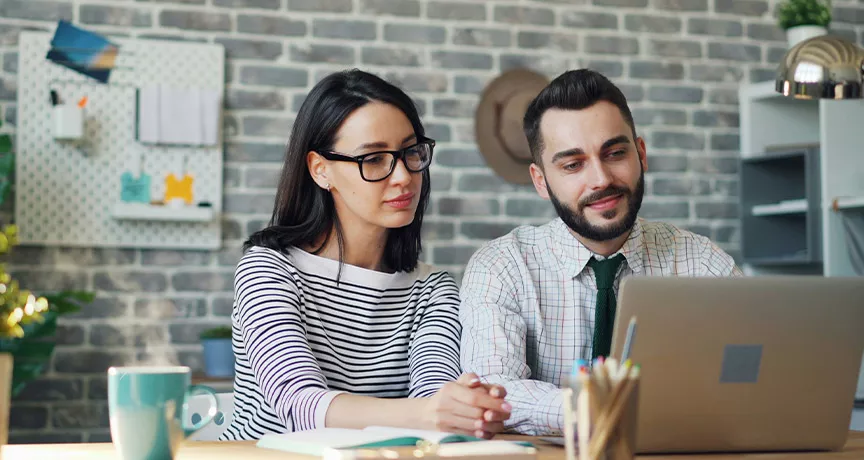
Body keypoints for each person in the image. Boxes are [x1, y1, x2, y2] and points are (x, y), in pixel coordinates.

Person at [221, 69, 511, 441]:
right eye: (373, 158)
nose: (403, 176)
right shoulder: (268, 268)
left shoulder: (433, 289)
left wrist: (462, 410)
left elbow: (433, 402)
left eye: (410, 152)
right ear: (320, 170)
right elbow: (299, 405)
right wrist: (431, 412)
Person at [458, 69, 742, 436]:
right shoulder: (502, 267)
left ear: (641, 154)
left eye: (615, 153)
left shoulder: (701, 262)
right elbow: (495, 392)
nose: (601, 179)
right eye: (573, 164)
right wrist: (598, 410)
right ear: (541, 181)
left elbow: (753, 375)